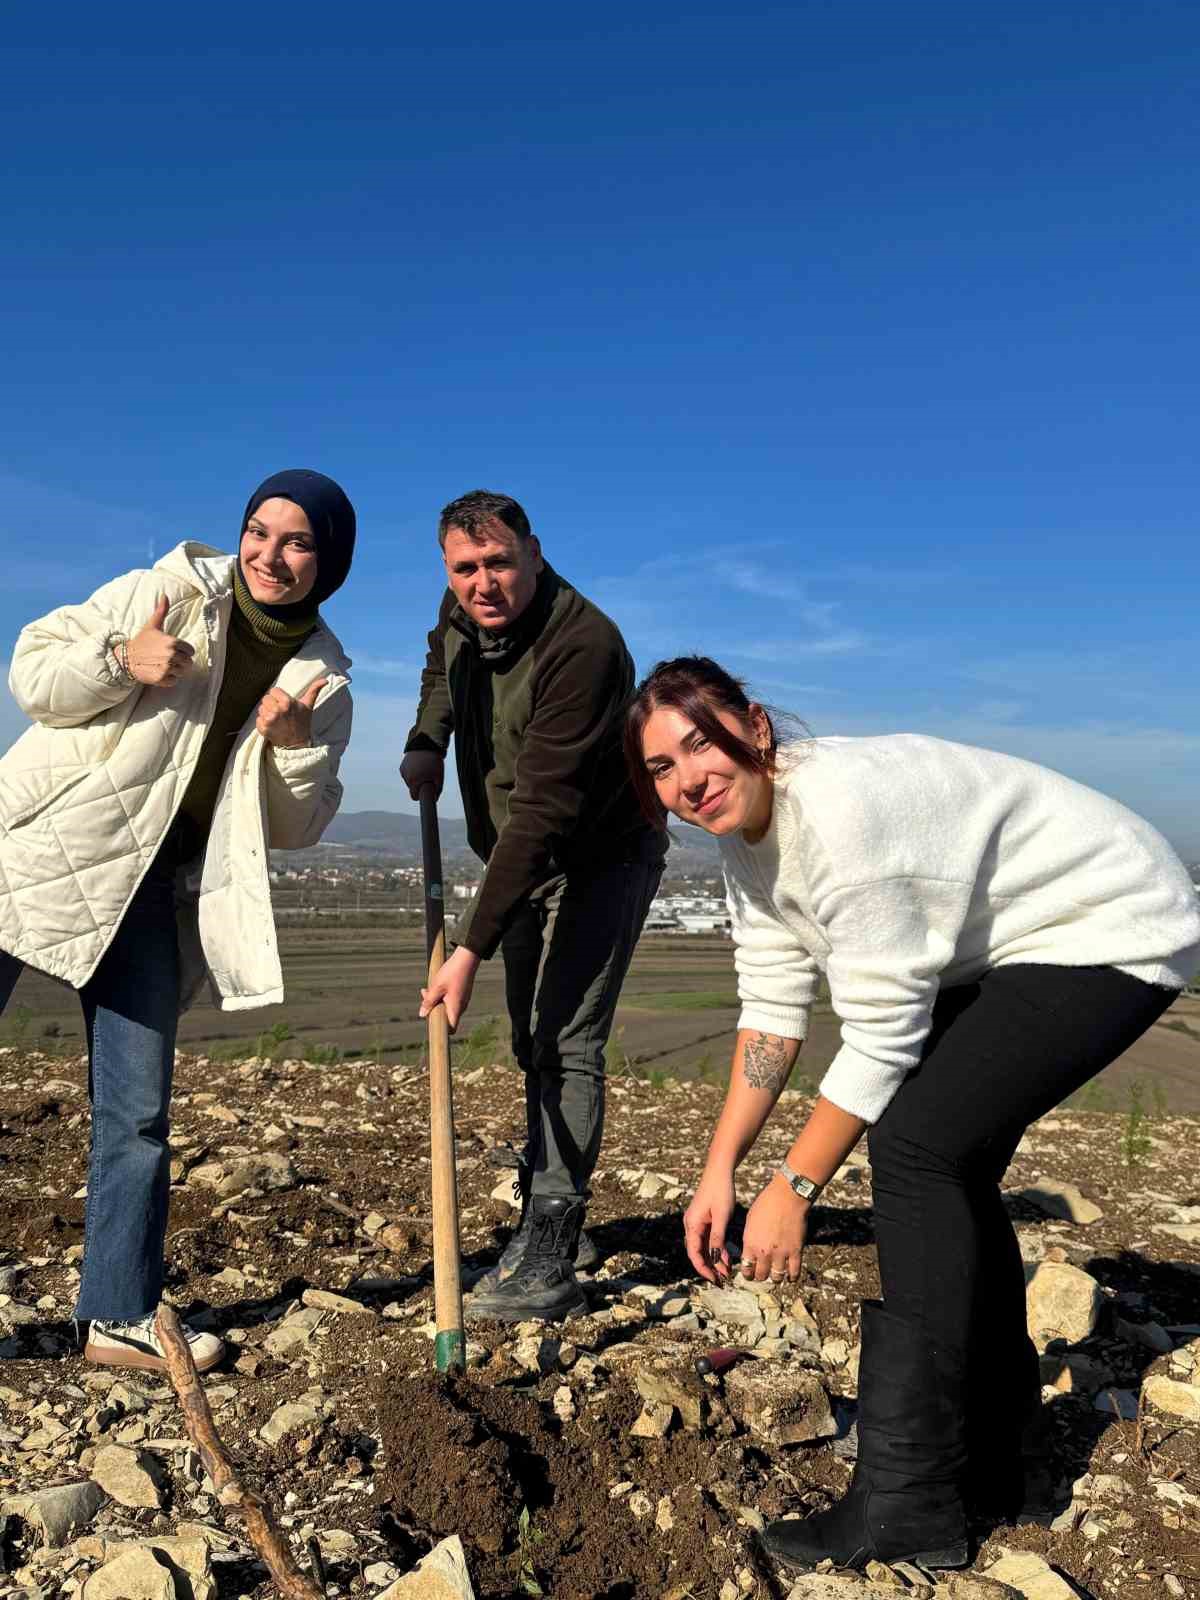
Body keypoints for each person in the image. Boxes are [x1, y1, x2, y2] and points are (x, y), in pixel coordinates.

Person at [624, 655, 1200, 1576]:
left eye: (701, 743)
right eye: (661, 767)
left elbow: (882, 1037)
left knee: (921, 1149)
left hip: (1112, 921)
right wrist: (719, 1171)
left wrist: (793, 1187)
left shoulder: (841, 816)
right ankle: (1004, 1461)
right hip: (1016, 946)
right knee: (943, 1155)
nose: (688, 779)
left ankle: (908, 1502)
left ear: (755, 727)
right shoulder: (746, 843)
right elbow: (772, 1009)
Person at [0, 469, 356, 1374]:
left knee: (137, 1115)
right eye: (259, 531)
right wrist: (122, 660)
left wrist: (292, 749)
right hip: (35, 853)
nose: (270, 555)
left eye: (299, 542)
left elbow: (295, 828)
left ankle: (117, 1314)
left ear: (330, 562)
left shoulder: (324, 682)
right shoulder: (162, 592)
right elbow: (32, 674)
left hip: (157, 893)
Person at [400, 489, 666, 1322]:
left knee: (567, 1041)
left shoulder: (584, 646)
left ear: (536, 553)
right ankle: (552, 1192)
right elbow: (441, 667)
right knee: (529, 1038)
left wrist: (468, 948)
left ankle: (552, 1245)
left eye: (500, 563)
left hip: (598, 857)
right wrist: (426, 741)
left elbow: (545, 809)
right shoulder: (461, 607)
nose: (483, 583)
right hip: (514, 860)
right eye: (465, 568)